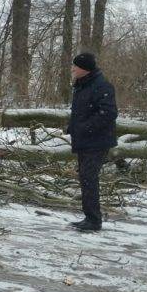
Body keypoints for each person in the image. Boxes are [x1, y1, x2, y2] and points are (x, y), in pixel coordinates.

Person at [65, 52, 118, 232]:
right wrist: (72, 127)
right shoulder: (81, 86)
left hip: (97, 141)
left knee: (89, 179)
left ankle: (94, 220)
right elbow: (80, 112)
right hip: (84, 141)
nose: (72, 69)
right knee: (85, 178)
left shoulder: (102, 86)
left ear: (85, 69)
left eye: (75, 66)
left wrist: (85, 128)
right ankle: (89, 217)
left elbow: (108, 113)